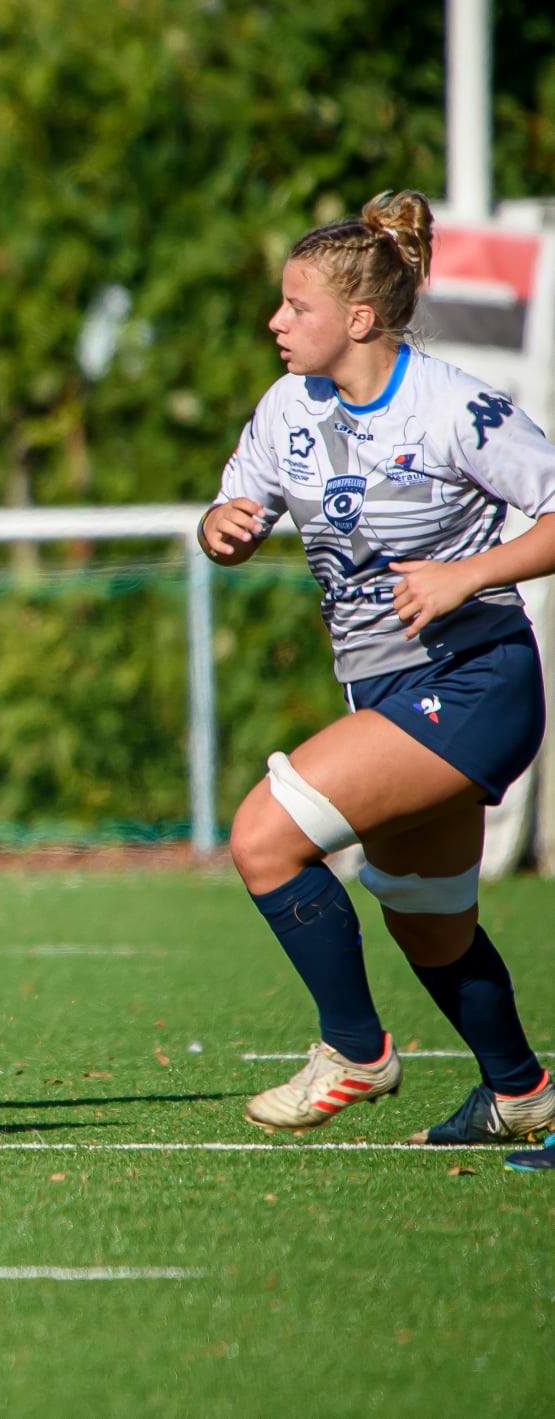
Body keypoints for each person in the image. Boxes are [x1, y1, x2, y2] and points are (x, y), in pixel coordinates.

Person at [205, 190, 555, 1144]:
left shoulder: (452, 406)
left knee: (264, 836)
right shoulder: (287, 408)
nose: (276, 321)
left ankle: (354, 1051)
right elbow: (229, 511)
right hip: (386, 688)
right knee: (427, 923)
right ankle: (520, 1090)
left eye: (296, 306)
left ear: (358, 320)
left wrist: (466, 576)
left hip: (478, 680)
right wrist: (221, 530)